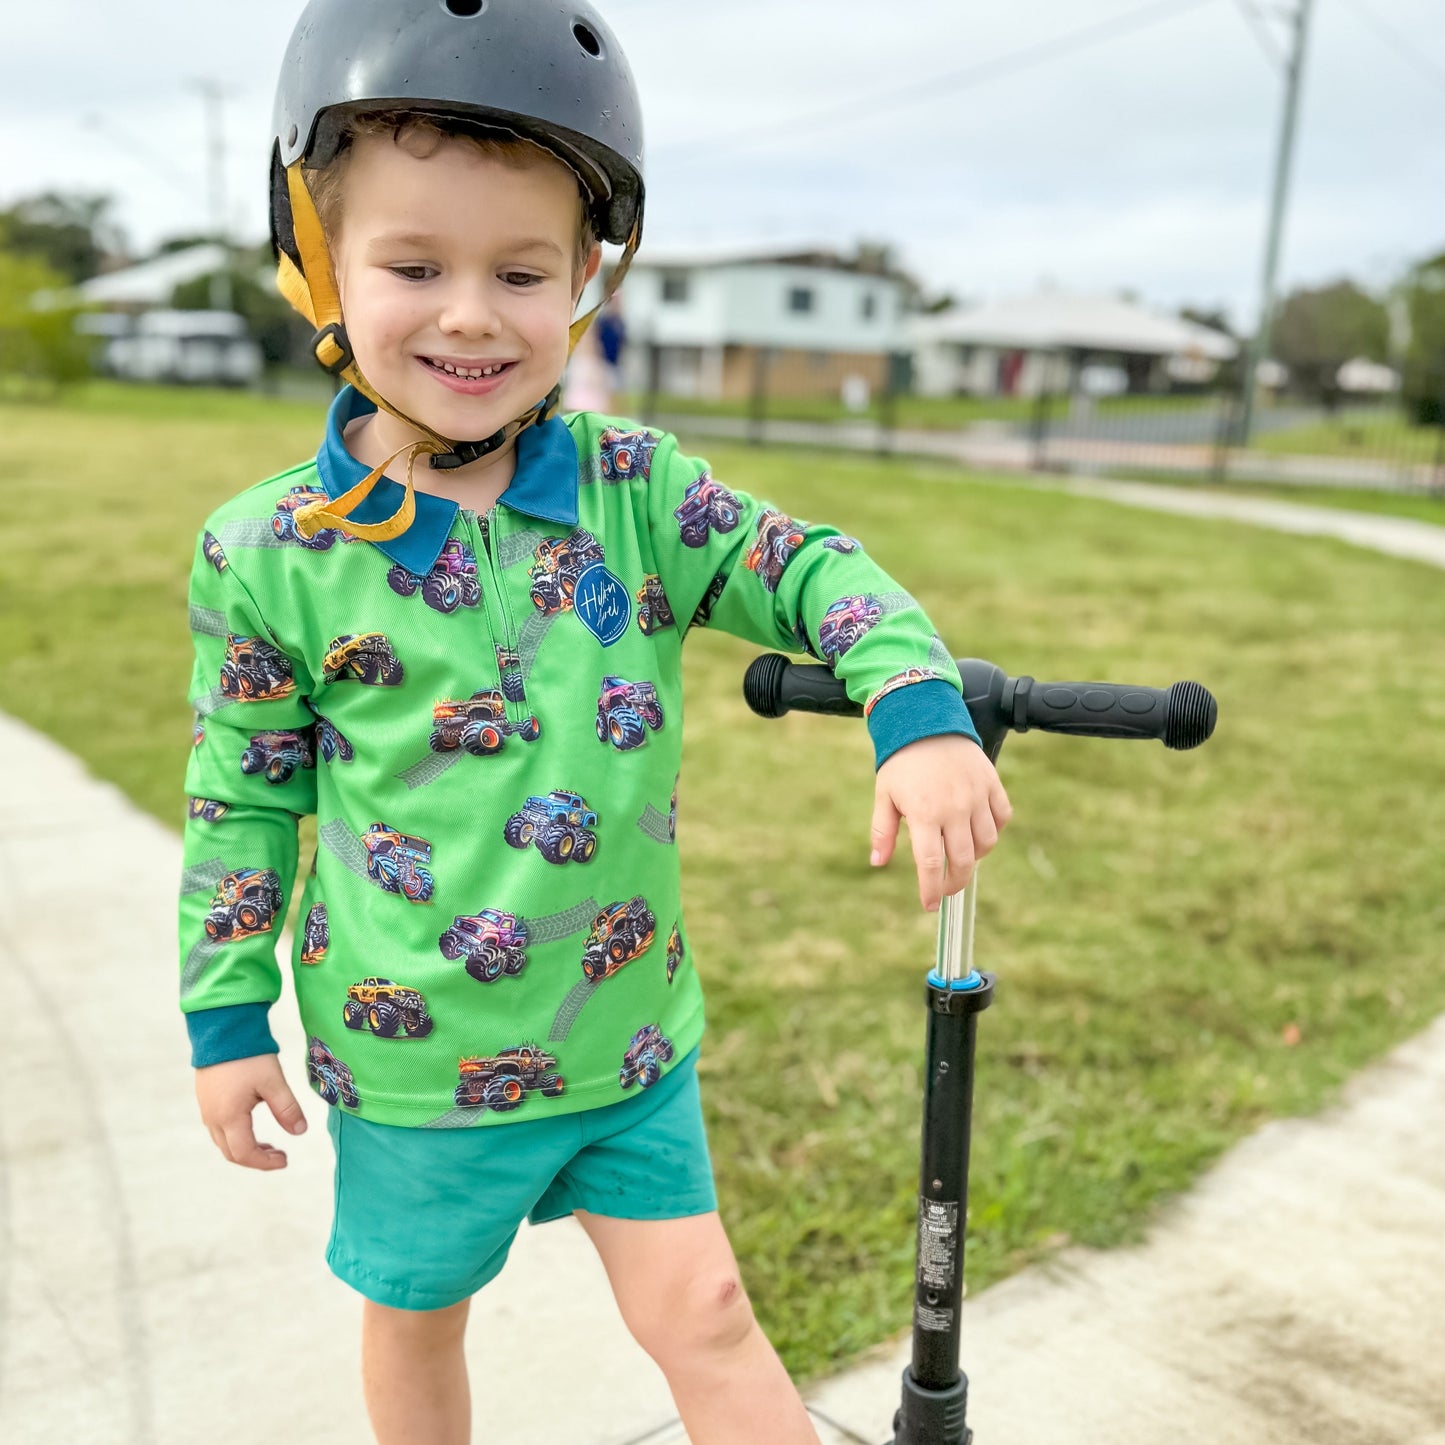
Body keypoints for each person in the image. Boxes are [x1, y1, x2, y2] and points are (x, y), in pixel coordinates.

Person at [178, 3, 1012, 1443]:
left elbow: (804, 566)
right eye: (413, 264)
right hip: (414, 1063)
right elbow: (241, 799)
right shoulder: (270, 552)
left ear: (583, 282)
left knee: (708, 1316)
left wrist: (915, 702)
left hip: (628, 1048)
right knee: (417, 1323)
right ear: (316, 264)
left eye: (519, 270)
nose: (468, 312)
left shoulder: (637, 491)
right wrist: (221, 1012)